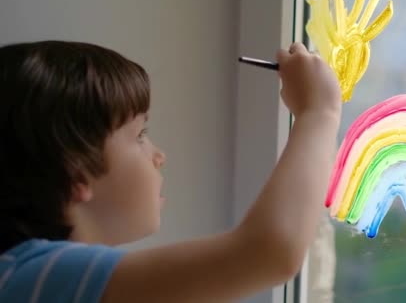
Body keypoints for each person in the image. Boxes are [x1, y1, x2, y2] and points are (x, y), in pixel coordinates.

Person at [0, 40, 342, 302]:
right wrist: (318, 112)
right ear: (75, 173)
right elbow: (268, 251)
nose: (159, 156)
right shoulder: (34, 279)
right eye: (140, 136)